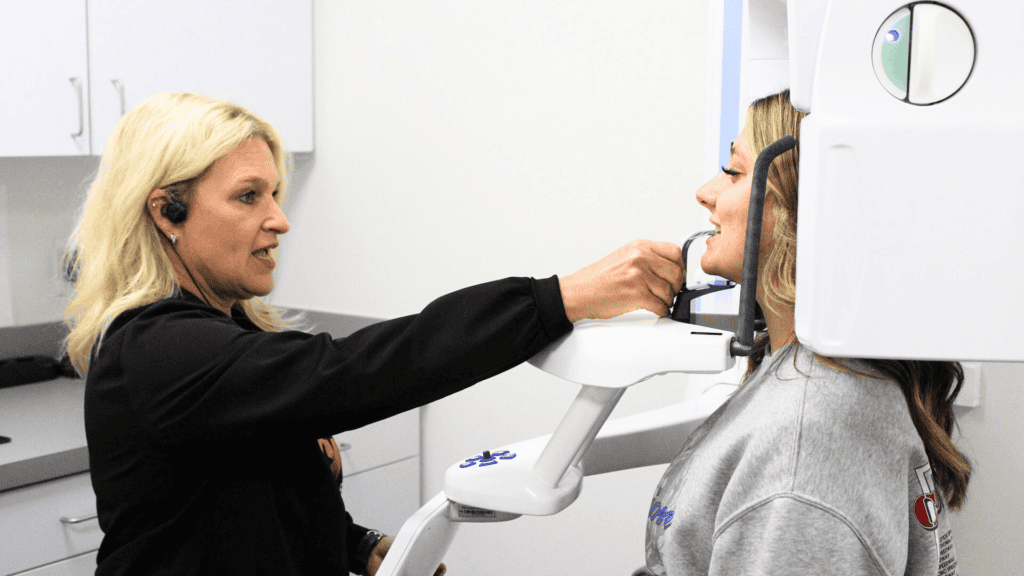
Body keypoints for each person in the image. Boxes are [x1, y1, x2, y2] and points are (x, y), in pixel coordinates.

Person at [63, 92, 686, 576]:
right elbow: (363, 370)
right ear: (165, 210)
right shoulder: (157, 351)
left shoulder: (226, 341)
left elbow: (245, 503)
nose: (278, 219)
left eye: (275, 193)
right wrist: (562, 298)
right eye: (248, 196)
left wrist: (358, 547)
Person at [638, 90, 971, 576]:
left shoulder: (802, 454)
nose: (706, 191)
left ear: (799, 209)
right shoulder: (815, 372)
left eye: (733, 171)